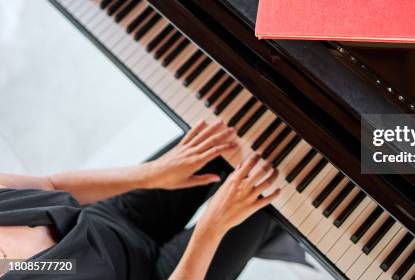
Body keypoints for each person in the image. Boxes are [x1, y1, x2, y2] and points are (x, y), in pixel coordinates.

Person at [0, 119, 289, 279]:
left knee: (225, 134)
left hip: (113, 218)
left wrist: (153, 174)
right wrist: (212, 227)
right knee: (275, 194)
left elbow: (51, 185)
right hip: (164, 275)